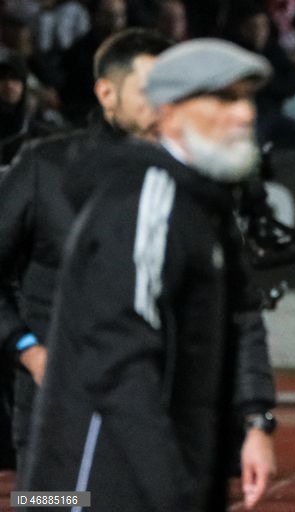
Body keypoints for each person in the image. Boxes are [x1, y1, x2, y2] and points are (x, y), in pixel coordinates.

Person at [21, 38, 277, 511]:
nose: (243, 115)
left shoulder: (205, 204)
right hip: (97, 485)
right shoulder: (147, 201)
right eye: (222, 98)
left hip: (161, 473)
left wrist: (255, 420)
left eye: (246, 98)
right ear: (169, 113)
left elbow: (242, 317)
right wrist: (173, 493)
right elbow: (120, 362)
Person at [0, 27, 171, 478]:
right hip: (54, 400)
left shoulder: (188, 179)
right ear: (106, 92)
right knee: (50, 505)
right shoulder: (44, 166)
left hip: (149, 403)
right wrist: (28, 349)